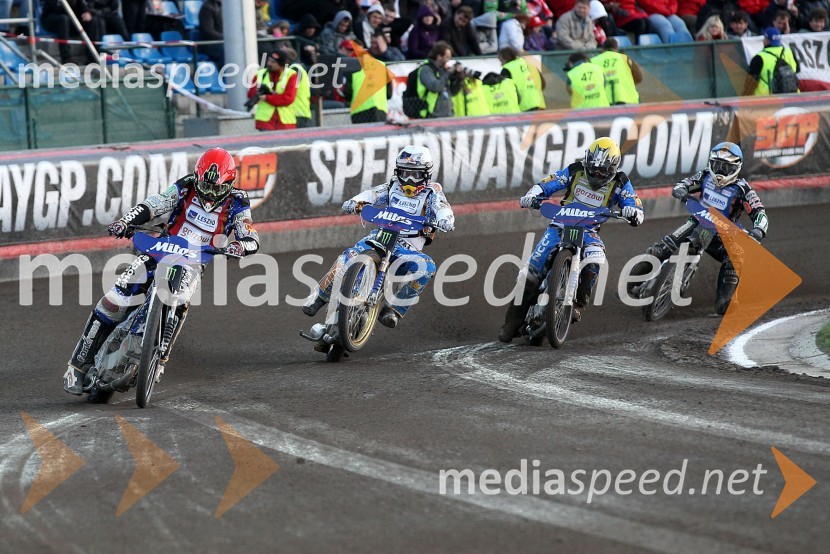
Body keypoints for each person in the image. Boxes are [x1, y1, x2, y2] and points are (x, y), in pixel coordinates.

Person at [64, 148, 259, 395]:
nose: (209, 195)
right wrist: (126, 221)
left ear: (229, 183)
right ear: (197, 176)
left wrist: (242, 244)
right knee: (113, 302)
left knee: (181, 302)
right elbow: (157, 203)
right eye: (204, 187)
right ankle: (77, 366)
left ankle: (160, 360)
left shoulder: (239, 200)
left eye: (216, 190)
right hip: (160, 248)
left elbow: (247, 230)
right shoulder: (187, 185)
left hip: (194, 261)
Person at [498, 137, 644, 342]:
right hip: (559, 225)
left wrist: (633, 210)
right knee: (529, 274)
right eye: (592, 169)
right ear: (586, 162)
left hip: (589, 230)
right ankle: (511, 323)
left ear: (612, 169)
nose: (596, 174)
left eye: (602, 171)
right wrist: (534, 194)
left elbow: (634, 204)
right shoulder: (575, 170)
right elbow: (550, 182)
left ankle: (577, 304)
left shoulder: (621, 182)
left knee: (596, 257)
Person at [302, 146, 454, 329]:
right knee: (347, 257)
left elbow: (443, 207)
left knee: (427, 267)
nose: (409, 180)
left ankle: (394, 310)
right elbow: (372, 194)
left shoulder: (432, 192)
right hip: (381, 237)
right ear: (398, 172)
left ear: (426, 174)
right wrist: (355, 202)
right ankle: (319, 297)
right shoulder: (392, 186)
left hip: (408, 248)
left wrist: (445, 220)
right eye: (405, 173)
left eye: (415, 175)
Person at [630, 142, 768, 315]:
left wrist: (758, 230)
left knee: (735, 258)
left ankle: (726, 300)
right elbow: (685, 184)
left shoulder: (743, 190)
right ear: (710, 163)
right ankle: (633, 285)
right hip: (696, 222)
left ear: (736, 168)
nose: (719, 172)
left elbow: (759, 212)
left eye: (726, 168)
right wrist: (681, 190)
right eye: (717, 165)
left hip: (723, 235)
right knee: (659, 250)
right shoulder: (704, 175)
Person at [344, 35, 392, 123]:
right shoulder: (382, 67)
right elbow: (389, 94)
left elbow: (347, 93)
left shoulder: (352, 69)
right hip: (380, 111)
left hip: (359, 112)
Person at [248, 49, 299, 130]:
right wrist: (274, 96)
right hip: (265, 121)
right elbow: (251, 95)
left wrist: (267, 97)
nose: (269, 64)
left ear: (281, 65)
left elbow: (288, 98)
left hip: (285, 122)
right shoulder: (259, 74)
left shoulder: (291, 75)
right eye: (269, 60)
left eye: (273, 62)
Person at [742, 26, 799, 95]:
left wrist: (744, 97)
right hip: (792, 94)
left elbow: (751, 82)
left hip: (766, 97)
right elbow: (797, 70)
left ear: (767, 40)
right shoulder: (789, 52)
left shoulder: (759, 57)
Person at [416, 41, 464, 118]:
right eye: (447, 57)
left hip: (448, 114)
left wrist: (458, 78)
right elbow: (435, 87)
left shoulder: (443, 70)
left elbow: (453, 92)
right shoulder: (426, 69)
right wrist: (448, 73)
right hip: (432, 115)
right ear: (438, 56)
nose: (449, 60)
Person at [591, 37, 643, 104]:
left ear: (602, 49)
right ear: (616, 49)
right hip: (628, 101)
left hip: (604, 103)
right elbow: (639, 78)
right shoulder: (625, 58)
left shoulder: (593, 61)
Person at [499, 46, 546, 111]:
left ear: (504, 58)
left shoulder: (507, 69)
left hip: (522, 103)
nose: (500, 64)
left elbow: (504, 90)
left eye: (501, 60)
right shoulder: (523, 62)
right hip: (535, 100)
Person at [199, 0, 225, 66]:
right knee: (227, 50)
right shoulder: (207, 7)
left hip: (223, 42)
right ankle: (223, 74)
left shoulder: (227, 7)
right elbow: (208, 31)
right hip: (210, 43)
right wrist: (226, 38)